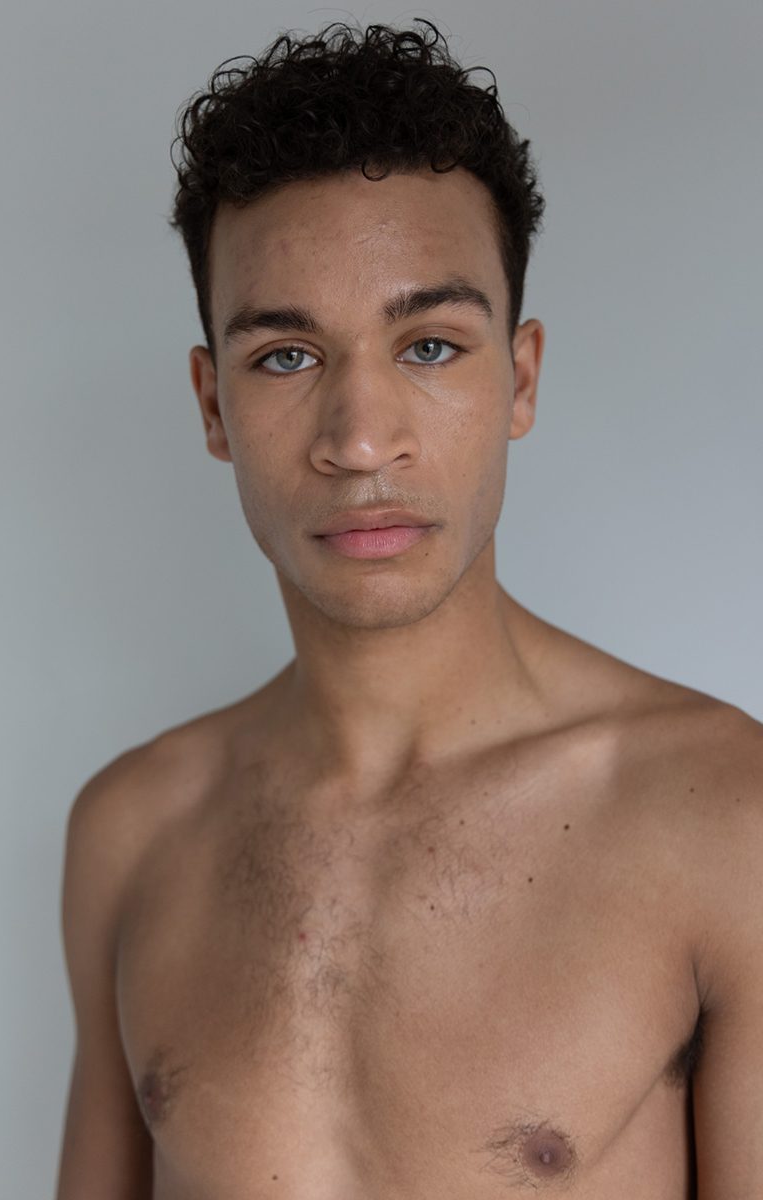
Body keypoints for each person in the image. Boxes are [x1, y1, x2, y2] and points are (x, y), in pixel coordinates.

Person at [55, 22, 763, 1199]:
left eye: (428, 346)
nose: (358, 440)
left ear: (518, 379)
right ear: (212, 405)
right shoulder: (129, 834)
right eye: (286, 357)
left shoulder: (723, 815)